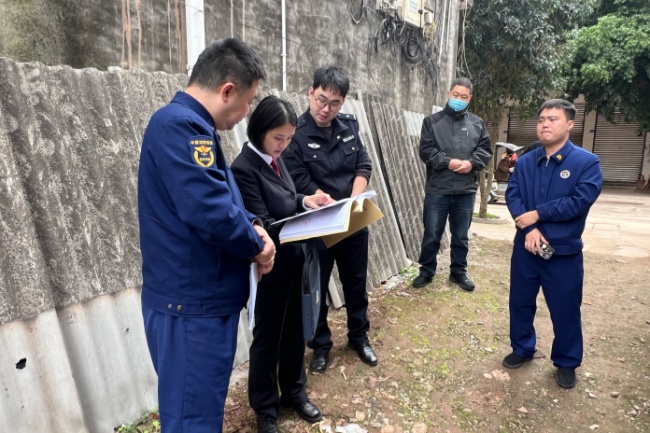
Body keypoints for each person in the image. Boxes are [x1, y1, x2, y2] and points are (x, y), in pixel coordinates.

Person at [137, 38, 276, 433]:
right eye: (248, 101)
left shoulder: (194, 126)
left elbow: (223, 198)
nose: (246, 112)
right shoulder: (181, 126)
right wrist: (257, 246)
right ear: (227, 90)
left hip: (199, 302)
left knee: (199, 413)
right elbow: (210, 213)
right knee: (191, 421)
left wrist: (254, 224)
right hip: (192, 307)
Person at [231, 96, 333, 433]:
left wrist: (307, 201)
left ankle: (294, 392)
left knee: (293, 332)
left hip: (293, 262)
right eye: (279, 137)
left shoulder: (276, 160)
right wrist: (305, 221)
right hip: (269, 267)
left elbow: (287, 200)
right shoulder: (244, 168)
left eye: (289, 139)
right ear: (260, 129)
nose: (283, 145)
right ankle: (265, 408)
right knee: (268, 338)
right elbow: (261, 222)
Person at [502, 99, 603, 389]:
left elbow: (579, 202)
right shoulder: (526, 161)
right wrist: (530, 227)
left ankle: (567, 361)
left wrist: (538, 214)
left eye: (553, 119)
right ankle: (523, 347)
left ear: (570, 124)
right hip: (527, 247)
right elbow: (513, 195)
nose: (545, 124)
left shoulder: (586, 163)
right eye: (541, 119)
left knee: (565, 307)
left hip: (562, 252)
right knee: (520, 301)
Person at [283, 66, 376, 374]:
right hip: (319, 224)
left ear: (343, 102)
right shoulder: (295, 132)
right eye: (321, 100)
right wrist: (326, 200)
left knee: (356, 283)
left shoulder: (349, 126)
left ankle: (359, 337)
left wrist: (354, 200)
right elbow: (298, 178)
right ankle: (320, 345)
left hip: (351, 221)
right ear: (311, 93)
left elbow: (363, 164)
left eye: (334, 103)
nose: (326, 109)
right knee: (317, 287)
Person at [412, 77, 492, 290]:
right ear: (448, 94)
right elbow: (426, 150)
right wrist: (448, 162)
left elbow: (485, 150)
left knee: (461, 235)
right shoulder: (432, 122)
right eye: (455, 95)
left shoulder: (477, 123)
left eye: (463, 96)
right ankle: (426, 271)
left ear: (470, 98)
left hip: (466, 189)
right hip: (438, 188)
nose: (459, 99)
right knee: (432, 233)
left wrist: (471, 163)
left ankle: (458, 272)